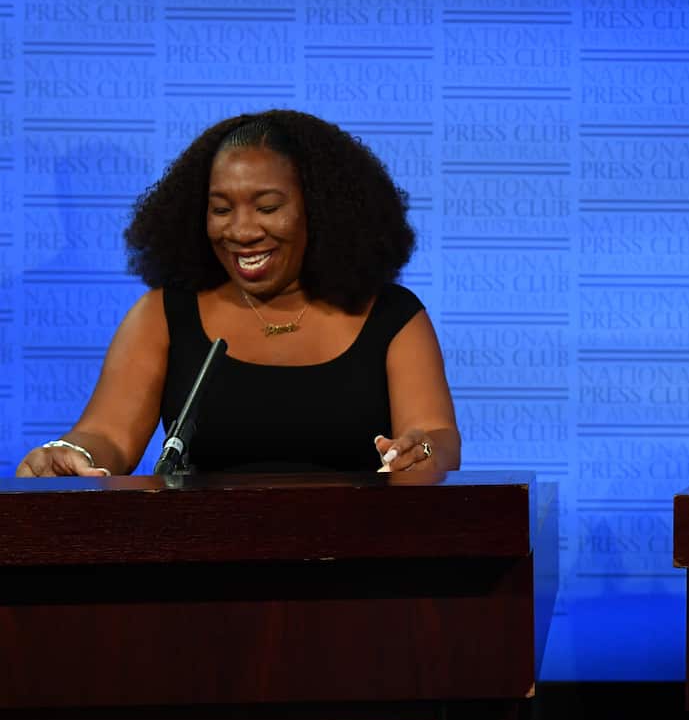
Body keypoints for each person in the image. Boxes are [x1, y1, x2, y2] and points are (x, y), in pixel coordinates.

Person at [16, 110, 459, 477]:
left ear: (319, 211)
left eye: (268, 208)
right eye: (221, 209)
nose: (242, 231)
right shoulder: (164, 314)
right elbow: (107, 435)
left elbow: (433, 436)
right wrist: (72, 454)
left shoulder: (392, 316)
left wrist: (419, 452)